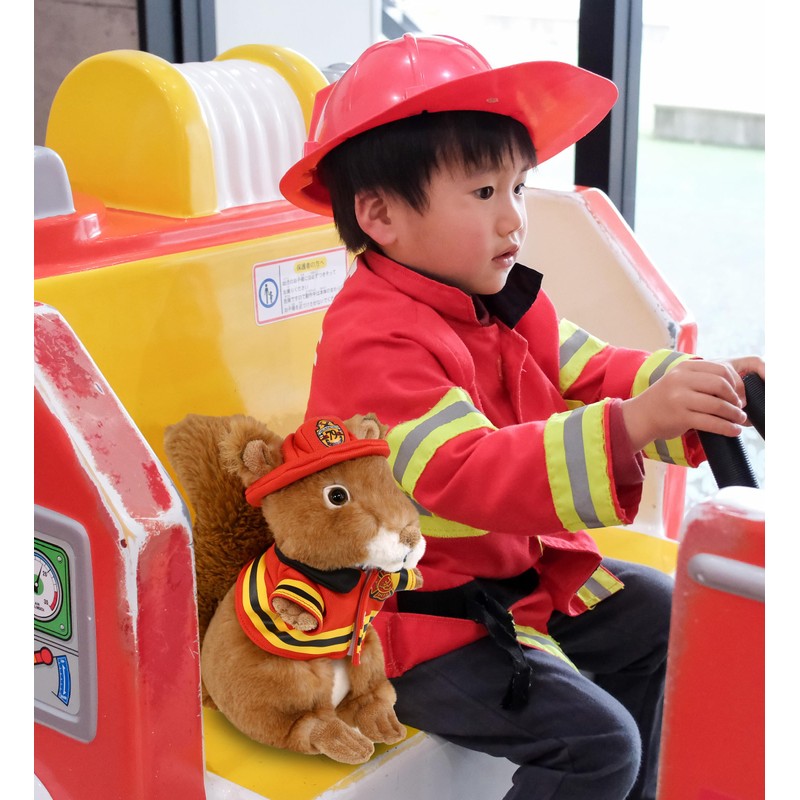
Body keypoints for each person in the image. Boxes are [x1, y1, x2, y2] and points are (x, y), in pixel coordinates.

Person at [278, 33, 765, 800]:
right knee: (595, 746)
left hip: (507, 579)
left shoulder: (497, 300)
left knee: (671, 621)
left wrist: (700, 387)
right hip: (412, 622)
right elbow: (463, 470)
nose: (513, 220)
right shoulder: (372, 342)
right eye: (483, 193)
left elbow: (593, 371)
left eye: (518, 188)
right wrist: (632, 425)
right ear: (379, 214)